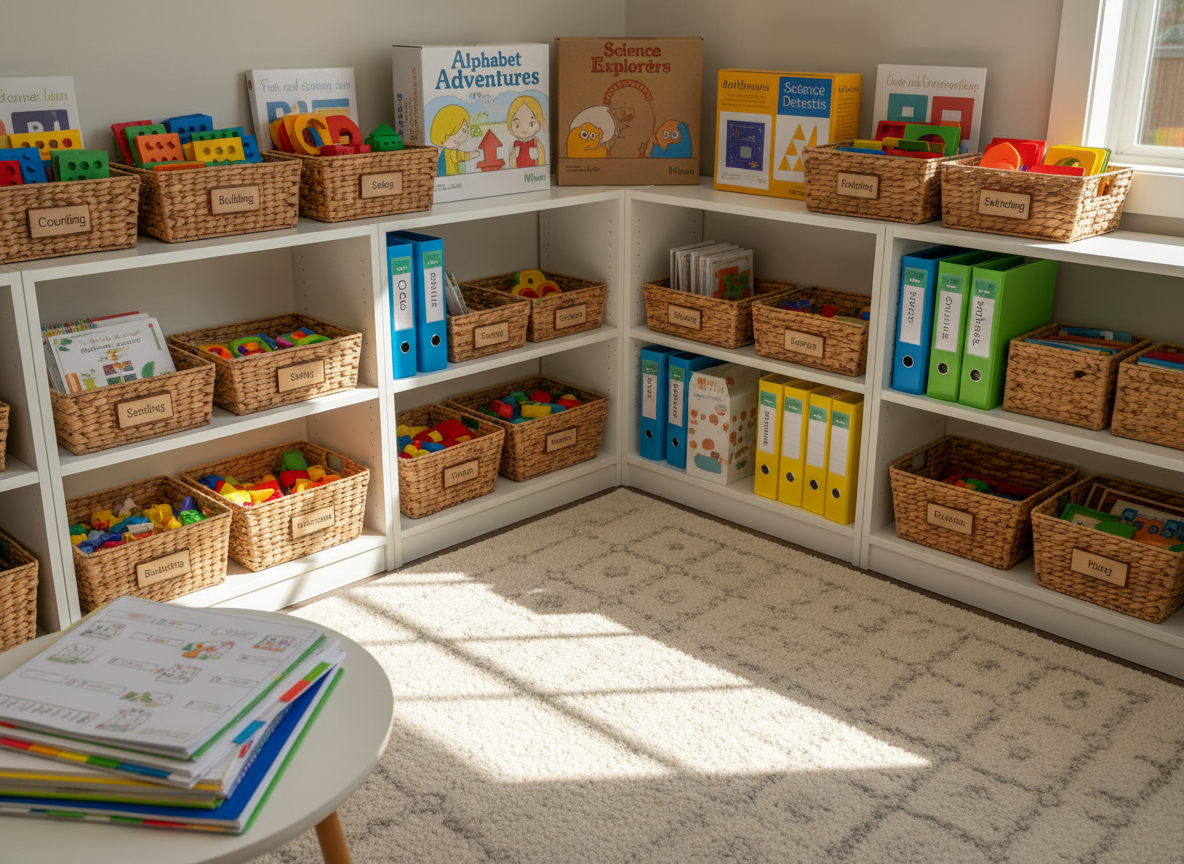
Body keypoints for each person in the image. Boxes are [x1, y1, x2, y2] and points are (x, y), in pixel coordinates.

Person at [431, 104, 475, 176]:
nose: (459, 139)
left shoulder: (444, 152)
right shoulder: (447, 152)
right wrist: (472, 154)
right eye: (452, 132)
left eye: (464, 130)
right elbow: (461, 156)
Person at [506, 95, 546, 168]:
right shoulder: (516, 145)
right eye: (517, 125)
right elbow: (512, 161)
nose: (524, 129)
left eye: (531, 124)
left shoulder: (536, 143)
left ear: (538, 123)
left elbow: (541, 159)